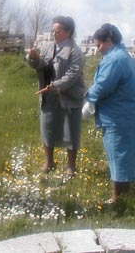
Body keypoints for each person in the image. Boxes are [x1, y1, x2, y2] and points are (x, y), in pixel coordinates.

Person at [85, 23, 135, 203]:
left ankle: (118, 199)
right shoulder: (123, 56)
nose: (98, 50)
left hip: (117, 117)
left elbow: (103, 86)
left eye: (99, 45)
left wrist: (88, 100)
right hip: (127, 116)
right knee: (125, 156)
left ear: (108, 40)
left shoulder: (114, 59)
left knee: (118, 157)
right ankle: (125, 195)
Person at [27, 16, 85, 177]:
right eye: (52, 30)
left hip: (69, 96)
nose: (54, 34)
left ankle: (71, 167)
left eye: (57, 31)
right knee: (47, 128)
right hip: (48, 96)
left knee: (70, 131)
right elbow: (41, 65)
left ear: (68, 32)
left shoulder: (75, 51)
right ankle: (49, 162)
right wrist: (33, 58)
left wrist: (55, 86)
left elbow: (72, 75)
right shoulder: (47, 47)